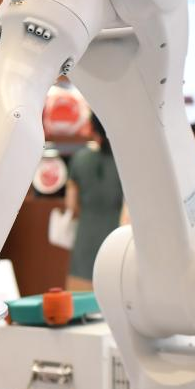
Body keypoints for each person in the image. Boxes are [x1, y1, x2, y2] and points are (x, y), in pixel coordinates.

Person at [65, 113, 124, 291]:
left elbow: (71, 205)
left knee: (80, 301)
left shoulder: (80, 158)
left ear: (92, 128)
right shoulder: (124, 161)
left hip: (85, 241)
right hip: (115, 243)